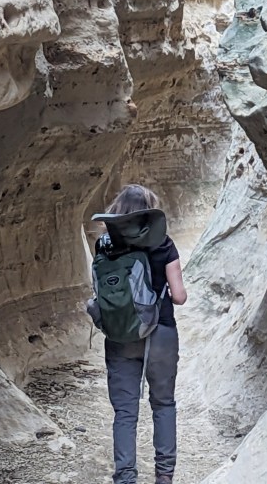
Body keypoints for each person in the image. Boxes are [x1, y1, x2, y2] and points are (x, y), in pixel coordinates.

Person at [99, 184, 187, 484]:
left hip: (120, 334)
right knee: (163, 404)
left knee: (125, 412)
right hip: (161, 333)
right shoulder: (164, 244)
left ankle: (125, 477)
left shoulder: (104, 245)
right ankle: (164, 475)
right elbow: (179, 296)